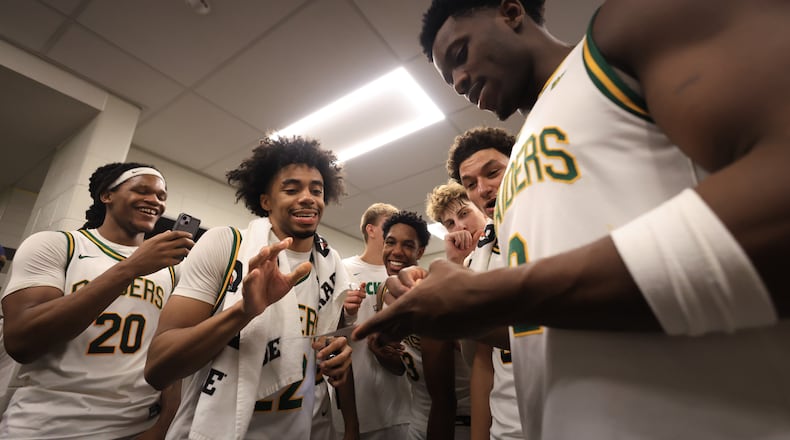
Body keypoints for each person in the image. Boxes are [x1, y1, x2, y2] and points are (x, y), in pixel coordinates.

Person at [356, 1, 790, 439]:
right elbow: (547, 324)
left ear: (510, 11)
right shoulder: (515, 179)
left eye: (460, 54)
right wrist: (450, 312)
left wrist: (495, 293)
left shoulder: (620, 34)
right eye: (450, 79)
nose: (461, 81)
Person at [144, 135, 356, 440]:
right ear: (265, 200)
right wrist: (243, 312)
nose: (308, 197)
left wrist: (338, 356)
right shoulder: (226, 245)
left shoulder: (332, 264)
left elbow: (325, 348)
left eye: (316, 190)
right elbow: (158, 369)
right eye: (291, 189)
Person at [1, 162, 191, 439]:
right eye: (142, 191)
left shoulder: (174, 269)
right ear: (107, 195)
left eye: (161, 196)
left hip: (136, 426)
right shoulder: (58, 245)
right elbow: (21, 342)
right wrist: (130, 268)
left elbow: (170, 354)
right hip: (44, 425)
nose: (154, 201)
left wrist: (163, 426)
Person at [441, 127, 528, 440]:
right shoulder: (477, 259)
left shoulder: (551, 221)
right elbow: (482, 360)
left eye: (493, 173)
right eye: (471, 184)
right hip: (508, 426)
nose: (484, 189)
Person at [373, 211, 470, 440]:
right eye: (390, 242)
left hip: (457, 421)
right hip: (418, 418)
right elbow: (401, 367)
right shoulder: (383, 292)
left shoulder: (428, 294)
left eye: (408, 245)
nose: (396, 251)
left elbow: (444, 400)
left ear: (420, 251)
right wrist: (380, 352)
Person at [339, 203, 412, 440]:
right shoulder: (342, 269)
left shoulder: (402, 273)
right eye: (387, 226)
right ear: (370, 229)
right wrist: (345, 310)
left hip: (400, 398)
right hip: (355, 394)